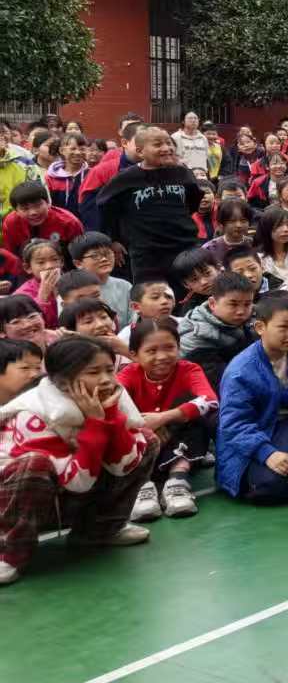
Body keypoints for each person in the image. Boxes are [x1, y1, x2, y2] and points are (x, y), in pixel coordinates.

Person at [0, 336, 158, 584]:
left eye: (109, 369)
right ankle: (8, 552)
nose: (106, 379)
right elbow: (77, 483)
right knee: (34, 463)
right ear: (62, 382)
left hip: (63, 493)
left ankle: (99, 530)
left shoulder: (110, 398)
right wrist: (96, 424)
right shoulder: (32, 414)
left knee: (145, 441)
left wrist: (109, 416)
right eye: (94, 372)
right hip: (13, 503)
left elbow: (124, 464)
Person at [215, 292, 288, 503]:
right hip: (260, 433)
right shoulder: (241, 371)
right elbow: (234, 424)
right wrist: (267, 454)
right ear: (260, 328)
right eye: (284, 327)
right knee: (267, 486)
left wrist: (285, 395)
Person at [118, 316, 217, 522]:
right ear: (134, 355)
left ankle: (177, 481)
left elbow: (210, 400)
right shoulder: (128, 374)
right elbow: (110, 403)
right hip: (142, 437)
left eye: (169, 348)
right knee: (118, 426)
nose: (162, 356)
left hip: (177, 435)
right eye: (151, 351)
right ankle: (142, 486)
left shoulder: (188, 369)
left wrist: (165, 417)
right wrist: (145, 427)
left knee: (196, 416)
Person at [95, 126, 201, 285]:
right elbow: (105, 208)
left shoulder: (183, 173)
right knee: (152, 296)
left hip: (185, 246)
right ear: (140, 151)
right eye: (158, 145)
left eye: (169, 143)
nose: (166, 148)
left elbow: (193, 200)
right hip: (147, 253)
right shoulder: (126, 178)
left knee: (190, 291)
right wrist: (113, 239)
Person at [180, 271, 258, 389]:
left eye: (247, 304)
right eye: (233, 304)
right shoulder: (195, 336)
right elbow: (222, 383)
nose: (241, 311)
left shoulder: (256, 318)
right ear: (212, 303)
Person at [2, 179, 83, 255]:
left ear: (48, 203)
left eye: (37, 206)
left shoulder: (69, 222)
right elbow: (10, 256)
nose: (33, 212)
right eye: (25, 209)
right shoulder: (11, 223)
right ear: (16, 211)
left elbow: (81, 255)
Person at [68, 232, 132, 328]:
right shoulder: (72, 289)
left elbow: (134, 322)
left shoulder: (125, 286)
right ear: (78, 264)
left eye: (108, 253)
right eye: (95, 256)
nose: (104, 259)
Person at [15, 239, 64, 328]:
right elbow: (31, 327)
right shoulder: (22, 295)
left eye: (54, 259)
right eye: (41, 262)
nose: (50, 266)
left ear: (61, 262)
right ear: (28, 268)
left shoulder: (72, 282)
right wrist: (43, 297)